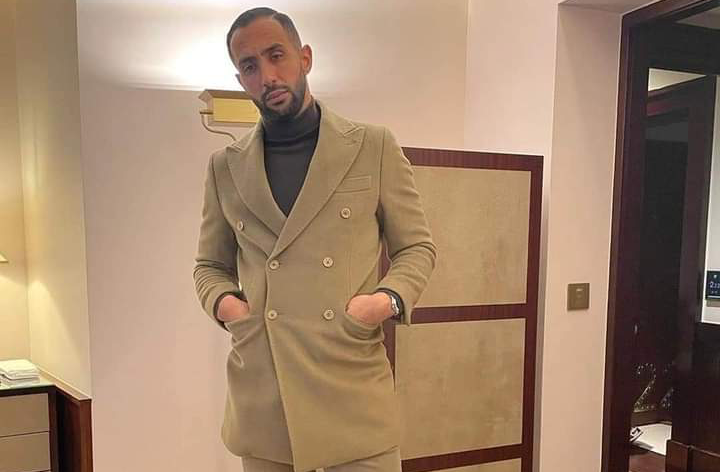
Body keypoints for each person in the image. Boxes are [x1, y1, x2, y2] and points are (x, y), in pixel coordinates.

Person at [192, 7, 437, 472]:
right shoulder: (225, 167)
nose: (267, 75)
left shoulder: (372, 145)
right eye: (250, 66)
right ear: (240, 79)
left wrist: (383, 302)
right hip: (265, 397)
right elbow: (209, 266)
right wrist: (229, 307)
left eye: (276, 55)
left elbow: (416, 248)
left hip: (351, 385)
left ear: (304, 57)